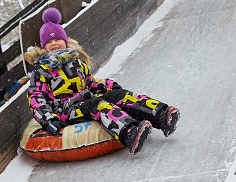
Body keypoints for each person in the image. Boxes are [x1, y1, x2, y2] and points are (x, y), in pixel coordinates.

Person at [25, 8, 180, 155]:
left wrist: (108, 86)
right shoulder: (42, 71)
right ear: (43, 47)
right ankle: (129, 132)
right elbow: (36, 99)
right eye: (49, 42)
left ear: (65, 42)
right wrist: (49, 120)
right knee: (97, 105)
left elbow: (90, 84)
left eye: (58, 39)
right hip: (65, 111)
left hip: (83, 102)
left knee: (119, 95)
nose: (53, 44)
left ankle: (161, 115)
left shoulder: (77, 63)